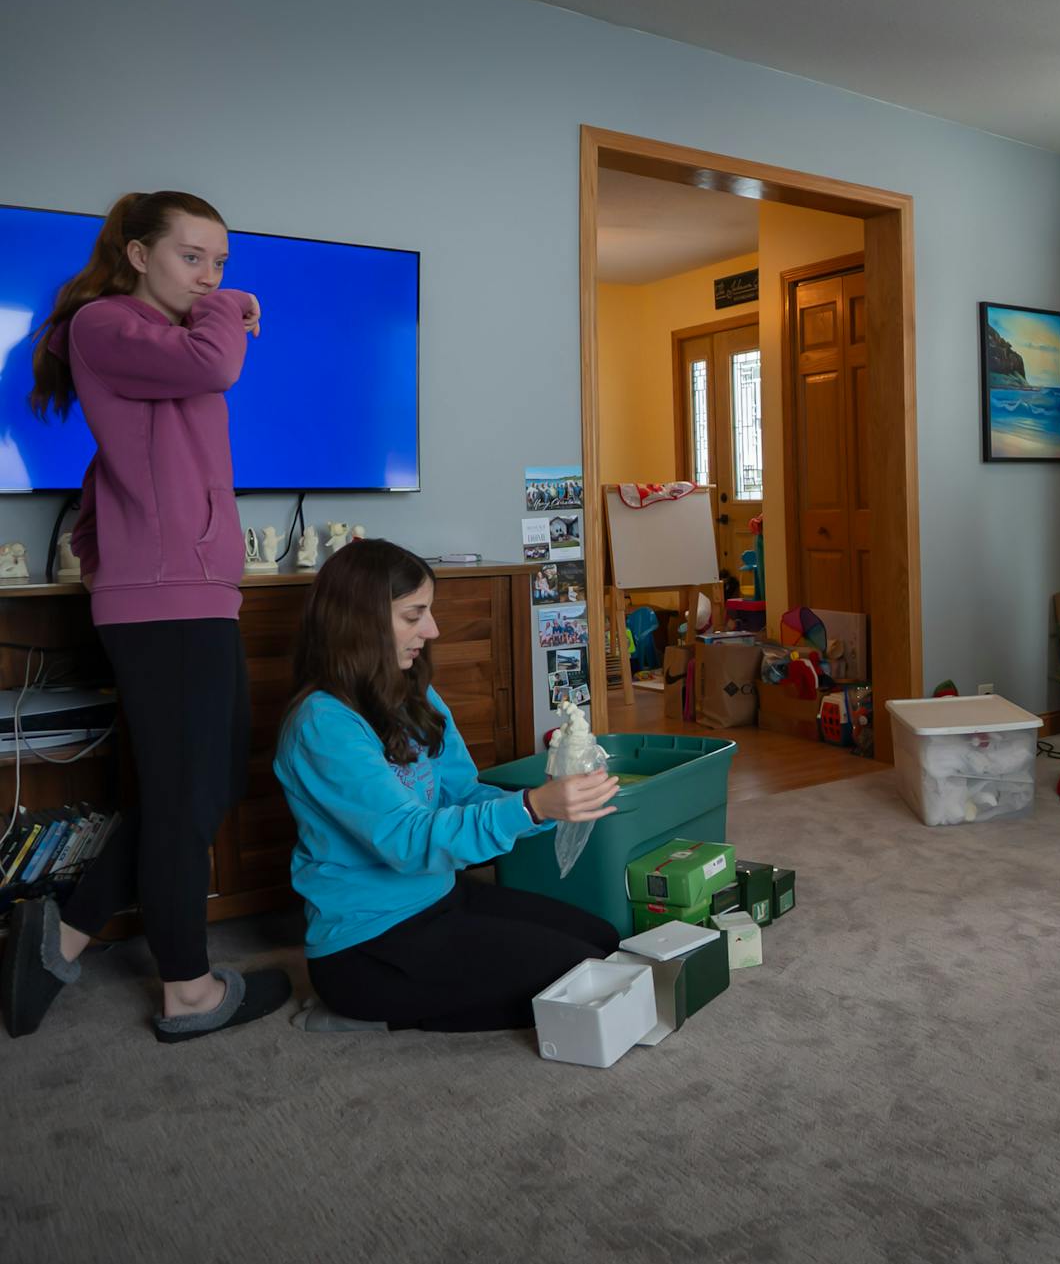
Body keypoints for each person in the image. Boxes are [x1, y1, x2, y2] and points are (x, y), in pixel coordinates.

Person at [3, 191, 281, 1042]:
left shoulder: (152, 341)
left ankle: (65, 931)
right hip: (165, 597)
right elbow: (217, 366)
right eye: (190, 256)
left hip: (184, 587)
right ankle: (187, 988)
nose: (209, 276)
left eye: (222, 263)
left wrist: (106, 549)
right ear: (135, 254)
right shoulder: (105, 325)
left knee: (205, 781)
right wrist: (229, 307)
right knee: (181, 793)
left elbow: (125, 463)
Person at [274, 539, 623, 1033]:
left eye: (429, 612)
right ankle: (370, 1013)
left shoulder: (412, 690)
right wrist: (530, 809)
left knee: (605, 944)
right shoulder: (322, 725)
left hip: (441, 899)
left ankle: (406, 1004)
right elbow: (405, 839)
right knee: (576, 976)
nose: (432, 630)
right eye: (414, 615)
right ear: (359, 621)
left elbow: (461, 796)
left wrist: (555, 804)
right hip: (367, 945)